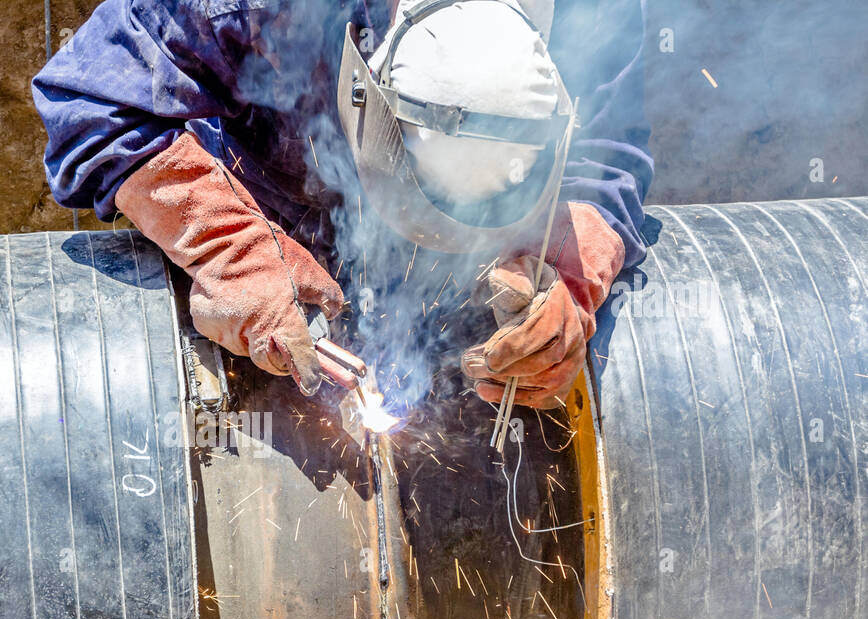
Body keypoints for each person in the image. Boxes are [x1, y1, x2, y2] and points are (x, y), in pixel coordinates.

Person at [33, 0, 651, 409]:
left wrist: (568, 275)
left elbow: (608, 140)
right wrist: (234, 250)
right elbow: (88, 102)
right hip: (269, 196)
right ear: (366, 95)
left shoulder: (592, 10)